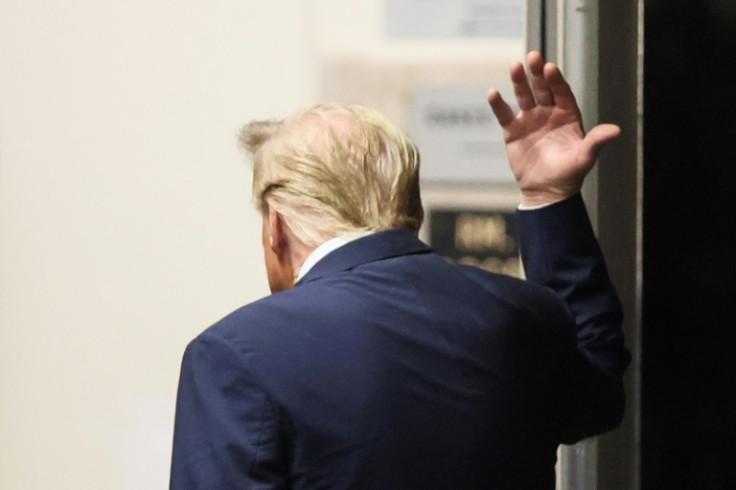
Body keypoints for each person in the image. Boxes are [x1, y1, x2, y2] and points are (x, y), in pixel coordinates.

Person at [170, 51, 630, 489]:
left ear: (277, 225)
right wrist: (552, 199)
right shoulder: (523, 316)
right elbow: (601, 392)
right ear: (412, 210)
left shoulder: (234, 356)